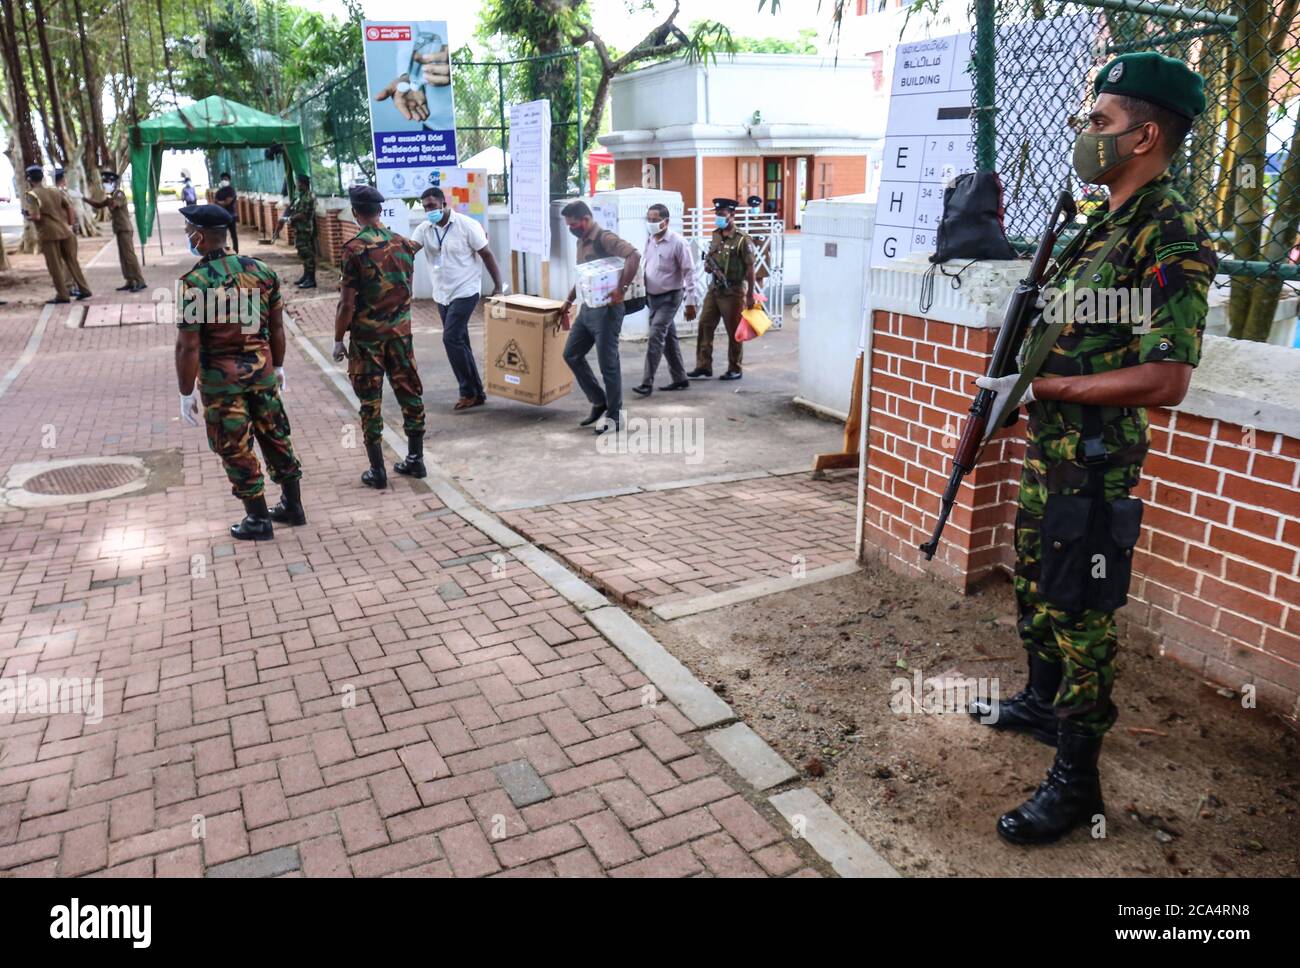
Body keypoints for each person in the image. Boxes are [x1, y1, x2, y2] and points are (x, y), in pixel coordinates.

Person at [967, 52, 1216, 845]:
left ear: (1145, 135)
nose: (1086, 134)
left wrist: (1050, 391)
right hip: (1053, 458)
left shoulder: (1168, 232)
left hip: (1098, 463)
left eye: (1100, 122)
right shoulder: (1095, 222)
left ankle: (1077, 784)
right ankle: (1040, 703)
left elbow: (1166, 377)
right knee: (1039, 587)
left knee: (1083, 615)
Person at [174, 204, 304, 540]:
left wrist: (185, 392)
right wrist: (278, 366)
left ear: (200, 236)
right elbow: (276, 328)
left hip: (222, 382)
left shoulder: (195, 283)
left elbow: (188, 346)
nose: (187, 235)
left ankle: (258, 519)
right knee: (275, 434)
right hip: (261, 373)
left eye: (189, 230)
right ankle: (292, 505)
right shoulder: (261, 271)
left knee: (235, 445)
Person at [332, 185, 427, 487]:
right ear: (379, 211)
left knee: (370, 402)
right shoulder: (404, 244)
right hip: (400, 336)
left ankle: (378, 471)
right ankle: (416, 460)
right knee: (410, 394)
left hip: (367, 340)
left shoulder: (354, 249)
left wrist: (337, 339)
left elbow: (347, 304)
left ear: (355, 212)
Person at [412, 186, 503, 410]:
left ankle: (467, 390)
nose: (429, 211)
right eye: (425, 207)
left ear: (444, 204)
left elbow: (487, 255)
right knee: (460, 341)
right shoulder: (425, 229)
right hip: (441, 294)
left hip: (465, 290)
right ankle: (477, 393)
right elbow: (408, 250)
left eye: (432, 206)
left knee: (451, 338)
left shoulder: (467, 226)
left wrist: (498, 287)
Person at [558, 200, 641, 434]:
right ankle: (599, 400)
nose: (571, 228)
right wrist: (568, 300)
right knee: (571, 354)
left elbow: (634, 256)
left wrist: (621, 289)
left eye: (573, 224)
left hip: (607, 311)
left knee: (608, 365)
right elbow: (583, 276)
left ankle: (614, 417)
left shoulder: (605, 238)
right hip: (588, 308)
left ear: (584, 220)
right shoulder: (581, 241)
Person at [688, 197, 755, 382]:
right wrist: (709, 267)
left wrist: (749, 295)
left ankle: (735, 367)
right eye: (716, 214)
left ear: (732, 214)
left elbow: (750, 268)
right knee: (705, 324)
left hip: (733, 291)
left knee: (734, 331)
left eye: (722, 214)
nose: (718, 217)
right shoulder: (716, 235)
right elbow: (712, 257)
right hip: (715, 289)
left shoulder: (742, 239)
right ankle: (703, 365)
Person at [632, 202, 695, 396]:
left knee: (656, 336)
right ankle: (680, 378)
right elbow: (646, 264)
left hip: (670, 297)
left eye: (655, 220)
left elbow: (689, 273)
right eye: (648, 219)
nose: (650, 223)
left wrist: (691, 302)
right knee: (668, 339)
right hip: (652, 298)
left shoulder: (678, 242)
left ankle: (646, 382)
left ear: (665, 221)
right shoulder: (650, 239)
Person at [22, 165, 91, 304]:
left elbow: (36, 216)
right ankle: (84, 289)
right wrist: (70, 224)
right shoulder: (55, 191)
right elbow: (69, 207)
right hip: (65, 230)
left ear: (29, 180)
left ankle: (62, 295)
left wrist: (27, 216)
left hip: (48, 233)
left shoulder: (31, 195)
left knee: (54, 265)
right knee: (72, 262)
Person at [85, 169, 147, 292]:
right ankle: (130, 280)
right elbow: (98, 205)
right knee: (123, 257)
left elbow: (113, 205)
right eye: (104, 182)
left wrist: (108, 199)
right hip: (119, 230)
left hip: (125, 229)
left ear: (113, 183)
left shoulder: (119, 194)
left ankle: (140, 281)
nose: (105, 185)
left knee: (129, 256)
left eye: (107, 182)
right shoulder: (111, 196)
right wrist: (83, 199)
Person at [281, 173, 317, 289]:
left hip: (305, 229)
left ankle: (311, 279)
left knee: (308, 254)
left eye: (298, 183)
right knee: (302, 253)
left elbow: (303, 214)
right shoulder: (301, 196)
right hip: (300, 229)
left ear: (303, 184)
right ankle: (306, 276)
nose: (297, 185)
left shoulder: (308, 197)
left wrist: (290, 219)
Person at [214, 172, 239, 253]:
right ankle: (223, 251)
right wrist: (222, 202)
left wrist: (220, 202)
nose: (224, 180)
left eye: (226, 179)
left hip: (231, 216)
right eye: (222, 179)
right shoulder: (219, 191)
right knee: (222, 235)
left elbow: (227, 202)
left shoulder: (231, 190)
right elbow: (216, 202)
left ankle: (236, 251)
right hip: (222, 217)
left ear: (229, 180)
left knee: (233, 235)